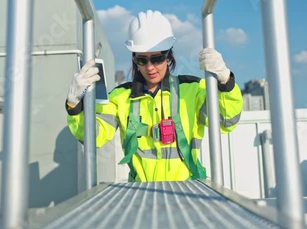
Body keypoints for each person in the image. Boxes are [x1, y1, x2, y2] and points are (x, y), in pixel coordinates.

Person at [65, 10, 243, 182]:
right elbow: (93, 138)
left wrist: (225, 82)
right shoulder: (120, 97)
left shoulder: (192, 90)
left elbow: (226, 121)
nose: (149, 67)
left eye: (156, 58)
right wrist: (75, 106)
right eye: (142, 59)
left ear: (168, 56)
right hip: (142, 194)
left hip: (188, 191)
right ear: (135, 60)